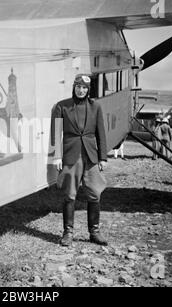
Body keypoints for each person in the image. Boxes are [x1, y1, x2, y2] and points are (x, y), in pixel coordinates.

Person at [51, 73, 108, 246]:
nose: (81, 90)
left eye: (84, 88)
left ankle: (94, 232)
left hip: (91, 156)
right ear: (74, 87)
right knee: (69, 195)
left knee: (95, 192)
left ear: (88, 89)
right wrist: (57, 155)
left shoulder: (95, 106)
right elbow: (55, 133)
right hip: (70, 155)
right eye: (78, 87)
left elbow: (101, 133)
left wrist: (103, 157)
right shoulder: (62, 106)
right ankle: (68, 233)